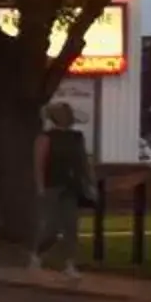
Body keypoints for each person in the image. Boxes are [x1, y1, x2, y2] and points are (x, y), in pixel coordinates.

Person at [35, 100, 93, 282]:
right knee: (51, 226)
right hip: (53, 185)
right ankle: (37, 253)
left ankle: (70, 264)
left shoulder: (77, 137)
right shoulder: (46, 138)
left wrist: (89, 181)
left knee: (71, 225)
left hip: (71, 186)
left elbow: (84, 161)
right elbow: (39, 163)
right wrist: (40, 186)